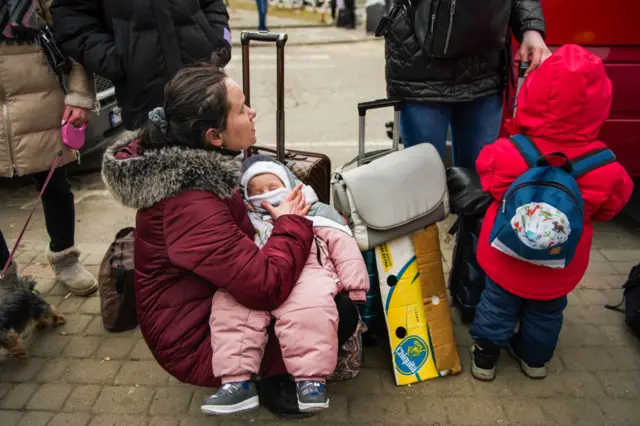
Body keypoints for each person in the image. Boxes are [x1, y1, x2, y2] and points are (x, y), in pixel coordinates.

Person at [100, 63, 361, 419]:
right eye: (241, 109)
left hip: (208, 300)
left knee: (312, 284)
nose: (252, 112)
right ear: (214, 137)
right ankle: (268, 381)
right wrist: (290, 223)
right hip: (194, 339)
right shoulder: (190, 202)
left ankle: (271, 366)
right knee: (338, 308)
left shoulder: (199, 166)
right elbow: (265, 287)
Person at [469, 44, 634, 381]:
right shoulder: (607, 167)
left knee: (497, 303)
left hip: (504, 253)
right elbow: (611, 207)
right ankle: (535, 361)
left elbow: (487, 179)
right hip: (560, 262)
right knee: (547, 312)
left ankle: (484, 360)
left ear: (534, 93)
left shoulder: (509, 151)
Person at [203, 155, 368, 415]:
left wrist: (356, 284)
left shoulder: (315, 211)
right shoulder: (245, 220)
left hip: (308, 274)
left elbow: (343, 245)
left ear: (290, 184)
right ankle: (235, 382)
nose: (264, 195)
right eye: (254, 191)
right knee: (230, 309)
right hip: (257, 274)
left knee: (310, 312)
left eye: (272, 186)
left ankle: (311, 380)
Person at [0, 0, 98, 296]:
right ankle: (4, 274)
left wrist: (80, 95)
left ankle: (64, 256)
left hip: (41, 104)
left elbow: (74, 34)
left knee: (55, 187)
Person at [381, 0, 551, 169]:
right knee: (423, 183)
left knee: (478, 183)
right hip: (420, 66)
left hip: (484, 65)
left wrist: (530, 27)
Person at [50, 0, 232, 131]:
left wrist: (219, 44)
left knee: (214, 175)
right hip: (145, 97)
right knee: (159, 177)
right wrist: (119, 60)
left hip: (205, 87)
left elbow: (214, 5)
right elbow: (72, 20)